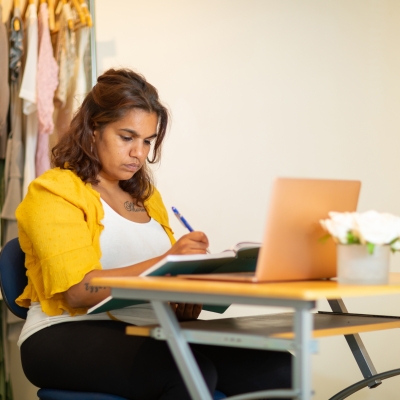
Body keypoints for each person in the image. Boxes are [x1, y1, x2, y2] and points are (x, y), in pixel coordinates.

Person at [15, 68, 292, 400]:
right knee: (190, 374)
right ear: (93, 129)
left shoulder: (147, 199)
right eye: (127, 137)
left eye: (148, 141)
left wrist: (187, 291)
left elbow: (157, 278)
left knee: (279, 369)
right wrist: (167, 261)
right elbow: (79, 291)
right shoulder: (53, 191)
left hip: (153, 326)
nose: (139, 153)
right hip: (62, 332)